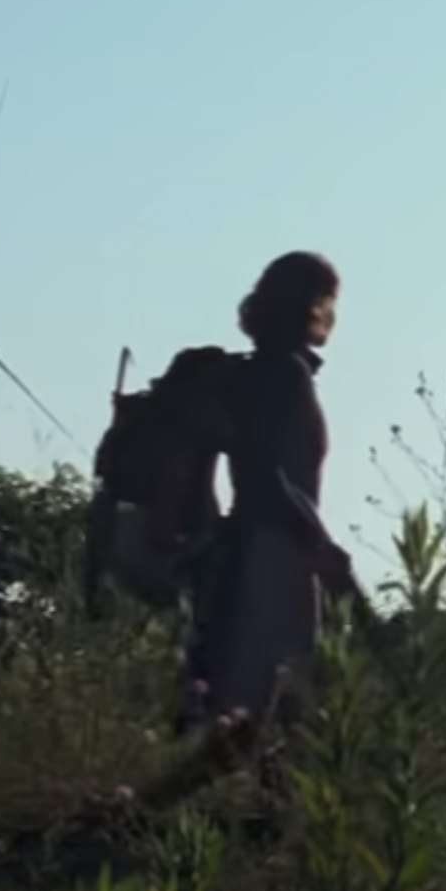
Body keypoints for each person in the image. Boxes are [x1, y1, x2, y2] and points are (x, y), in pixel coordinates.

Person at [144, 251, 357, 806]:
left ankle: (282, 819)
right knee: (263, 704)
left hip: (266, 542)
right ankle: (143, 810)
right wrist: (320, 546)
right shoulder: (280, 375)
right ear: (314, 304)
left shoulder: (256, 372)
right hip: (276, 548)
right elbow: (273, 476)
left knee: (283, 704)